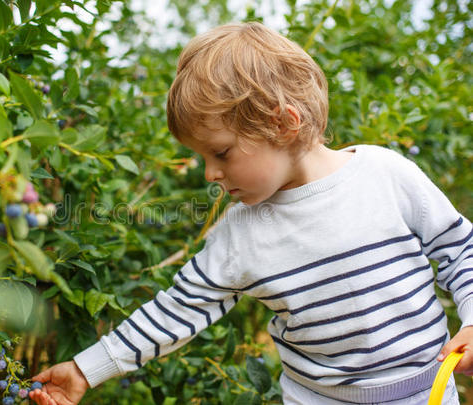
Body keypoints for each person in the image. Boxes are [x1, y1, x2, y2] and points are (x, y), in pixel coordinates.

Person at [29, 21, 473, 405]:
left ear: (282, 123)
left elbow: (460, 249)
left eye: (219, 152)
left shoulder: (384, 174)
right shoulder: (240, 235)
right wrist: (86, 369)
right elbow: (177, 310)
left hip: (430, 392)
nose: (209, 173)